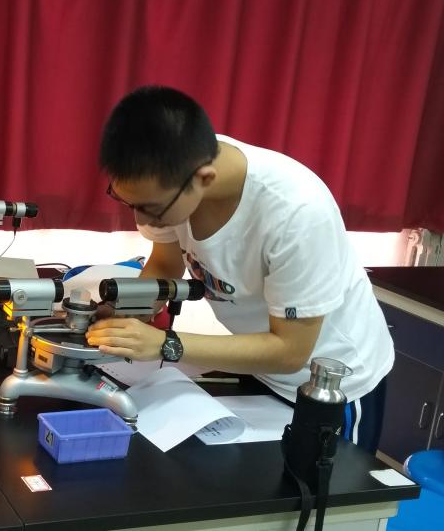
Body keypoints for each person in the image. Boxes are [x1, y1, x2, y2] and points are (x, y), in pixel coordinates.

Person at [88, 85, 393, 454]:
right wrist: (125, 313)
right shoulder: (170, 175)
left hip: (329, 386)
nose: (141, 220)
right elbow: (165, 263)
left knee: (321, 488)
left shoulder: (296, 214)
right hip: (258, 368)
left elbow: (291, 350)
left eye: (150, 209)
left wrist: (164, 344)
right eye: (128, 203)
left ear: (204, 179)